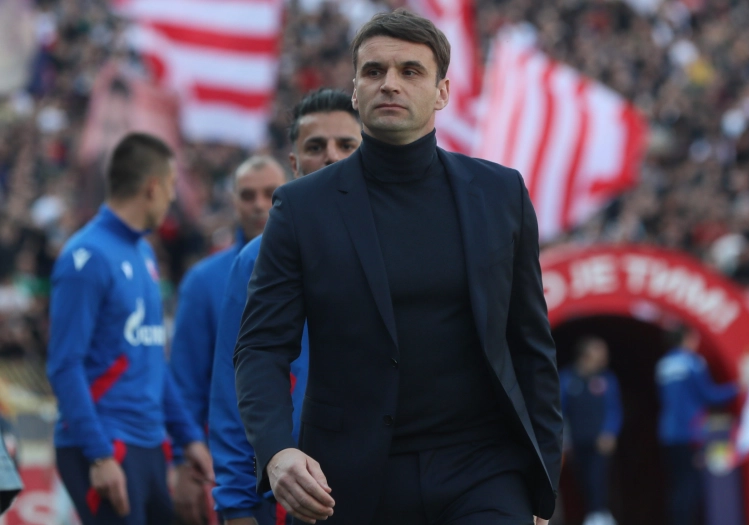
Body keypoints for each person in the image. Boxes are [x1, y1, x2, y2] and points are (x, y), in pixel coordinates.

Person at [233, 9, 562, 525]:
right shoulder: (300, 208)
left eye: (410, 71)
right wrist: (277, 451)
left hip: (484, 468)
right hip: (344, 477)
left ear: (442, 92)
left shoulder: (501, 194)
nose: (390, 83)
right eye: (374, 71)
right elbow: (261, 346)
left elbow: (530, 345)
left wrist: (543, 489)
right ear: (355, 89)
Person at [209, 88, 362, 525]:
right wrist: (237, 503)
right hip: (297, 491)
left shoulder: (403, 247)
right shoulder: (255, 261)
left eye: (346, 144)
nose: (331, 156)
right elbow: (232, 391)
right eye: (316, 146)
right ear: (294, 164)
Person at [47, 133, 213, 524]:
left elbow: (151, 359)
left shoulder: (142, 252)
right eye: (171, 186)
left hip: (149, 443)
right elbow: (64, 365)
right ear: (152, 187)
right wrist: (99, 455)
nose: (172, 198)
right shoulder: (86, 257)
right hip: (105, 444)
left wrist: (188, 436)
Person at [170, 155, 288, 525]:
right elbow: (187, 380)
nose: (259, 205)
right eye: (247, 195)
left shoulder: (323, 266)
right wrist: (183, 461)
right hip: (236, 467)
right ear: (233, 201)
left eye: (270, 194)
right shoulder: (203, 282)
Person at [656, 326, 738, 525]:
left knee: (678, 484)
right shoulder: (693, 362)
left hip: (668, 433)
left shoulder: (663, 365)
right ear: (686, 338)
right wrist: (739, 386)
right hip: (690, 432)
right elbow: (710, 395)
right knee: (691, 485)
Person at [560, 337, 621, 525]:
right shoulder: (567, 379)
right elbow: (558, 412)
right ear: (585, 355)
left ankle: (600, 514)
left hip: (599, 441)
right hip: (576, 442)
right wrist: (564, 440)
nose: (604, 357)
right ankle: (591, 515)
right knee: (582, 480)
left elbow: (613, 408)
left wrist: (609, 432)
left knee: (599, 478)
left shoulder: (607, 379)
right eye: (599, 353)